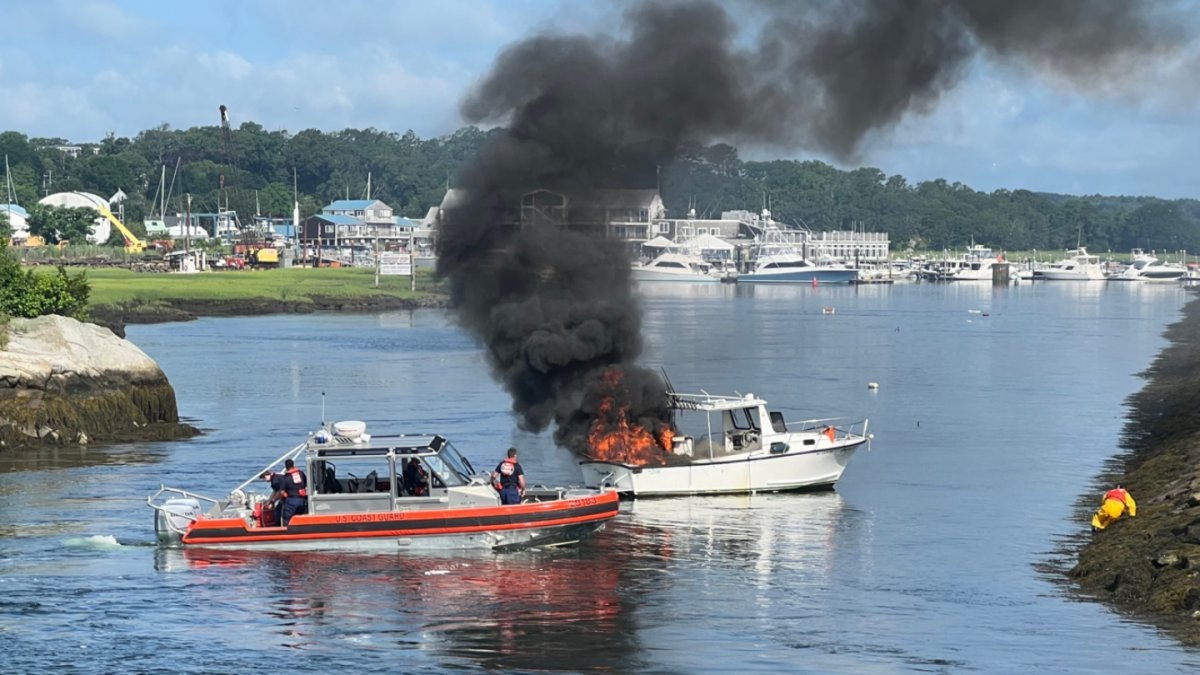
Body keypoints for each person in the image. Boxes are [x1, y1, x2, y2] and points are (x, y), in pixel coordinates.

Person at [280, 458, 308, 526]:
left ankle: (287, 534)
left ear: (286, 467)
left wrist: (283, 499)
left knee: (287, 519)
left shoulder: (286, 477)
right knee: (299, 519)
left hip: (291, 501)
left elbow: (282, 492)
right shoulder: (301, 474)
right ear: (293, 465)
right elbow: (305, 484)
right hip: (302, 500)